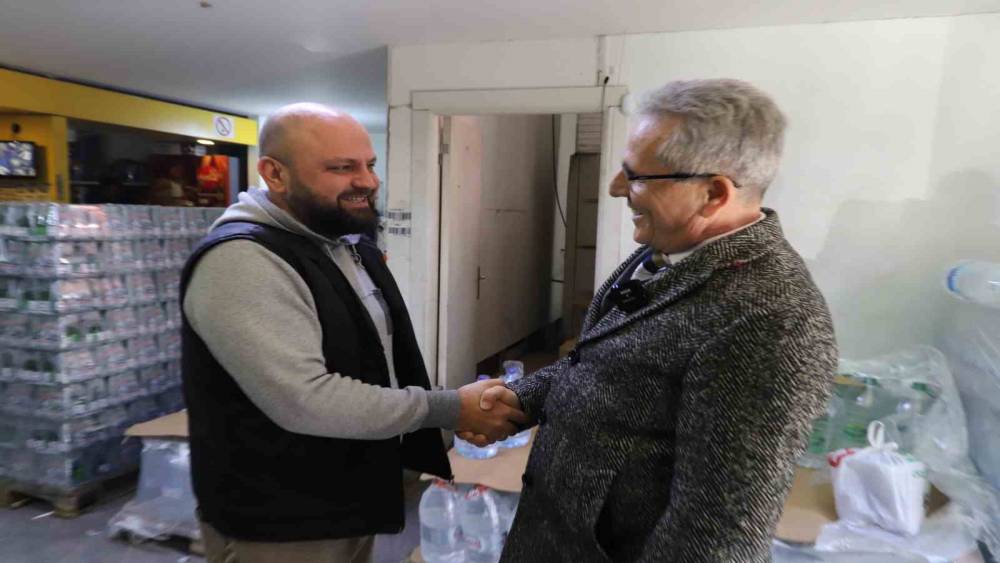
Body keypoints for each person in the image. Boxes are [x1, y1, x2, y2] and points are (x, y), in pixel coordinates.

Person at [469, 79, 839, 562]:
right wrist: (521, 398)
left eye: (636, 176)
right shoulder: (670, 248)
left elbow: (715, 535)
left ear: (712, 194)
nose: (615, 188)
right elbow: (607, 363)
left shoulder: (773, 320)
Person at [180, 103, 526, 563]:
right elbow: (306, 398)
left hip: (345, 499)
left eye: (369, 164)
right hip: (279, 521)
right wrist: (449, 408)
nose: (367, 181)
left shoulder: (343, 244)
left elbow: (375, 358)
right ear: (274, 174)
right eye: (342, 168)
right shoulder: (242, 260)